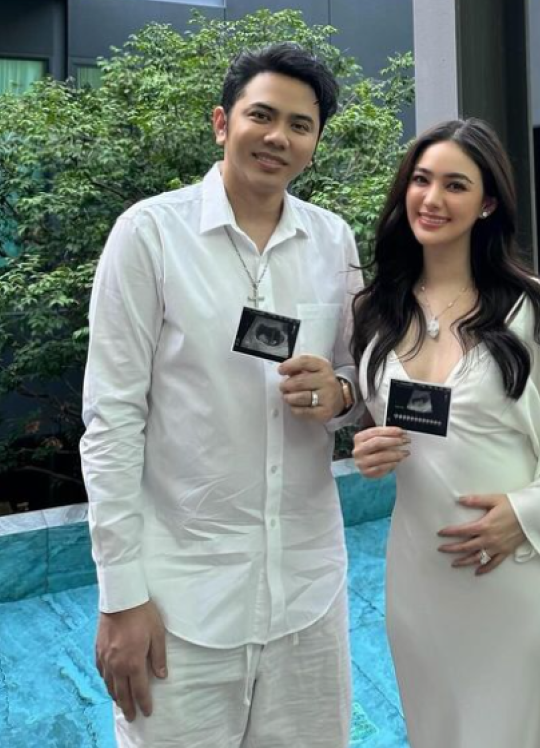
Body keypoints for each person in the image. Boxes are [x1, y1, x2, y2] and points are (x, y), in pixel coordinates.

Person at [80, 44, 361, 748]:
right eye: (261, 115)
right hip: (181, 605)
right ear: (221, 122)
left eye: (300, 125)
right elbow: (111, 420)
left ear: (315, 143)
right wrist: (121, 596)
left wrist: (338, 394)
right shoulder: (150, 235)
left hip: (307, 595)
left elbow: (360, 379)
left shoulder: (333, 241)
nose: (278, 136)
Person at [351, 118, 540, 748]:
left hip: (522, 581)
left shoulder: (531, 310)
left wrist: (524, 515)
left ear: (488, 204)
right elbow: (386, 423)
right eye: (421, 180)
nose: (432, 198)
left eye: (455, 185)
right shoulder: (379, 308)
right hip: (422, 586)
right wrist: (370, 449)